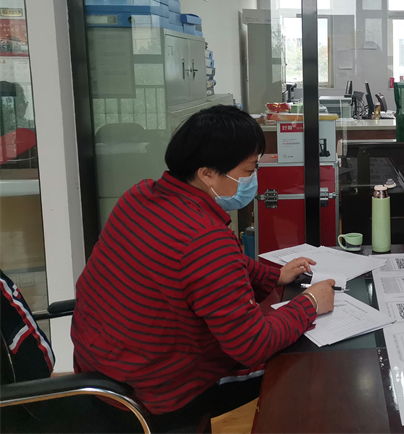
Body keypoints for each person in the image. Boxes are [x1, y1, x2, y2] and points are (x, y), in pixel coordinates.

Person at [71, 105, 335, 429]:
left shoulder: (138, 197)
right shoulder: (205, 238)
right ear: (207, 173)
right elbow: (252, 345)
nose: (253, 179)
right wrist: (310, 303)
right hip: (156, 391)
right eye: (249, 170)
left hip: (100, 370)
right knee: (303, 359)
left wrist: (273, 275)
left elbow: (206, 267)